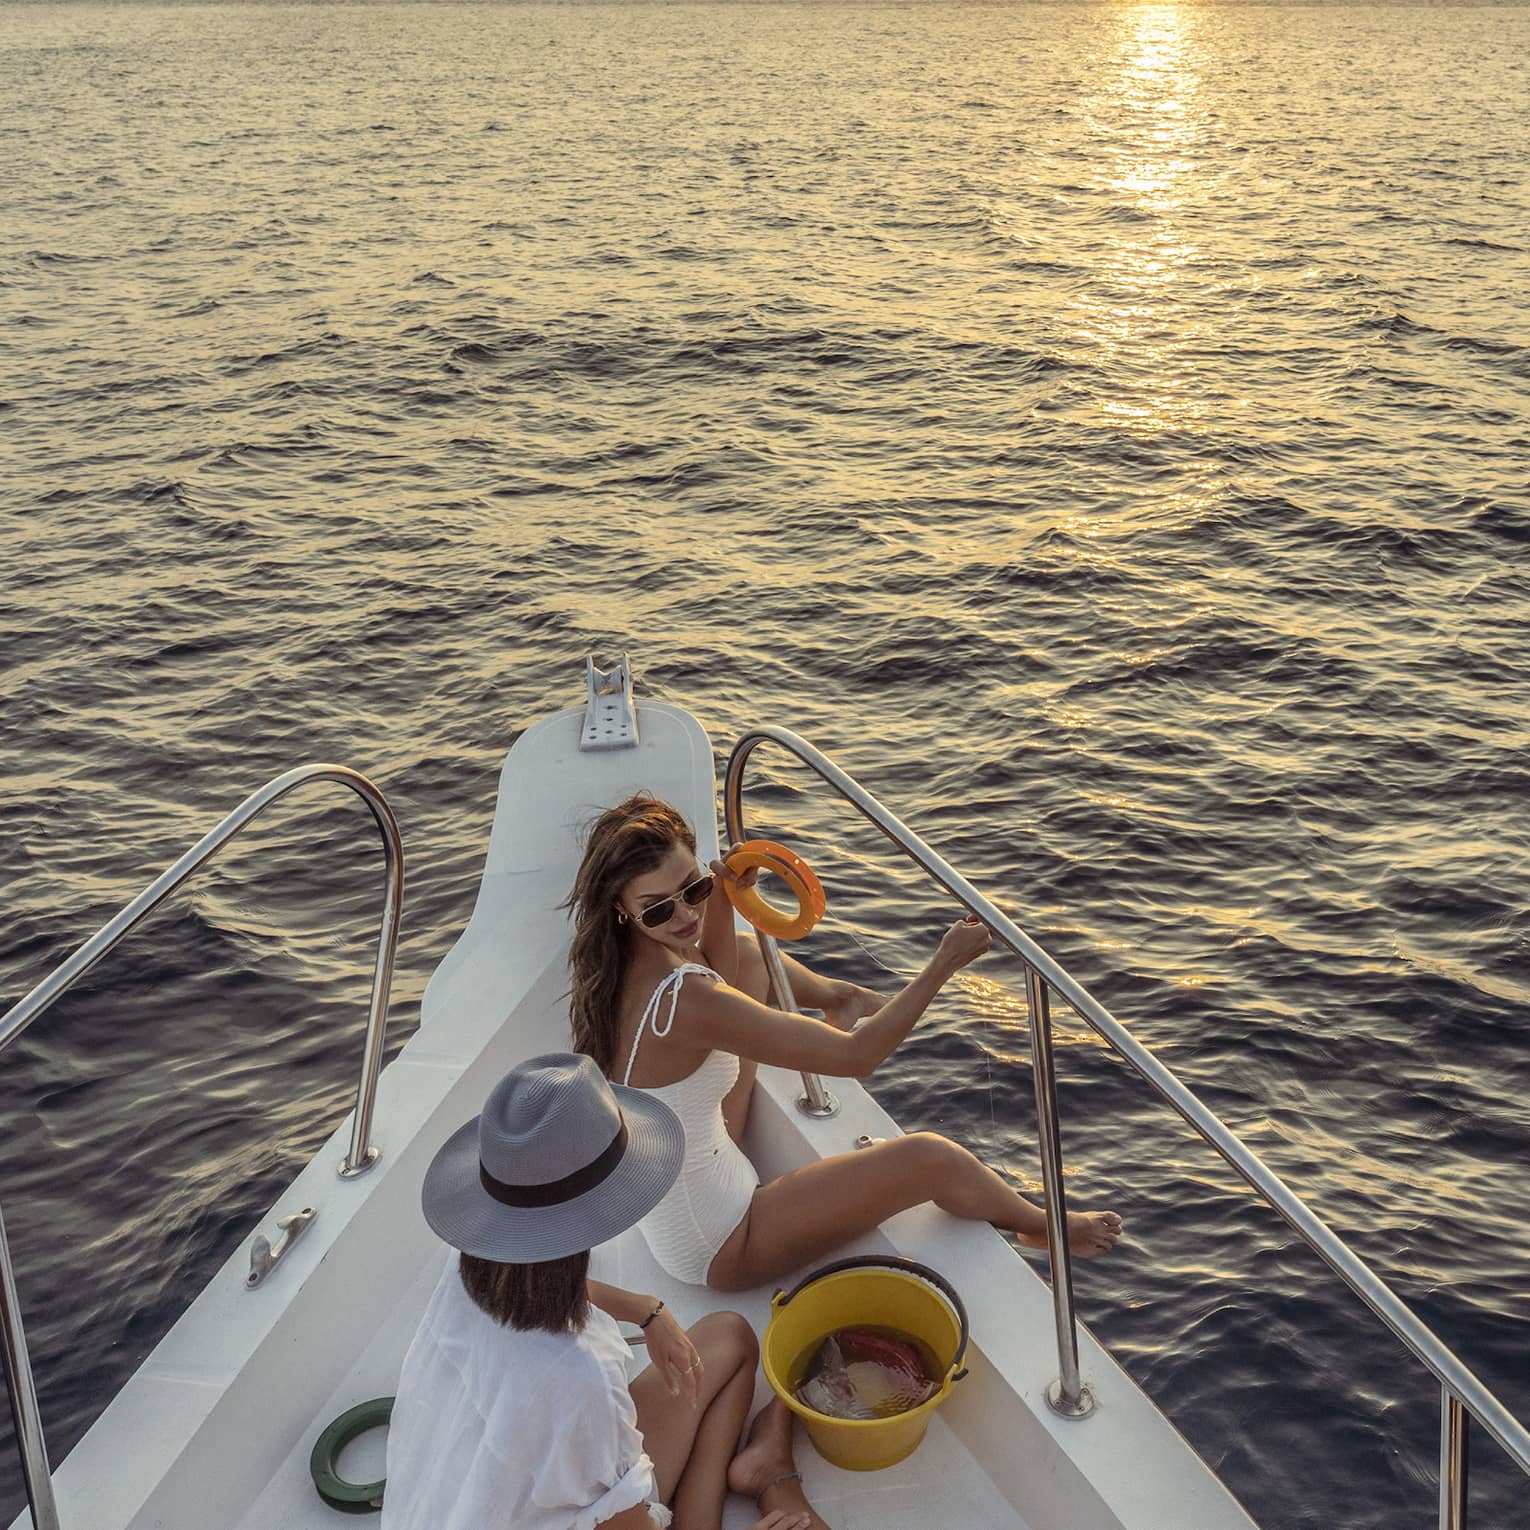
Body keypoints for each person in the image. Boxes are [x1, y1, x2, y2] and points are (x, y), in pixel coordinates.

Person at [566, 795, 1123, 1292]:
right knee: (930, 1159)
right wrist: (942, 965)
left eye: (695, 889)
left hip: (685, 1175)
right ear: (623, 909)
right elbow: (858, 1058)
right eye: (661, 908)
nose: (687, 914)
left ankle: (840, 996)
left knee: (752, 958)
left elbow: (718, 964)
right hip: (718, 1242)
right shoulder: (684, 1002)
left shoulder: (616, 962)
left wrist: (728, 897)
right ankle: (1043, 1226)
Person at [382, 1051, 827, 1530]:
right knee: (732, 1339)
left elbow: (536, 1293)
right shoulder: (580, 1376)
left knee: (728, 1338)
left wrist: (644, 1310)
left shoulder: (472, 1263)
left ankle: (740, 1479)